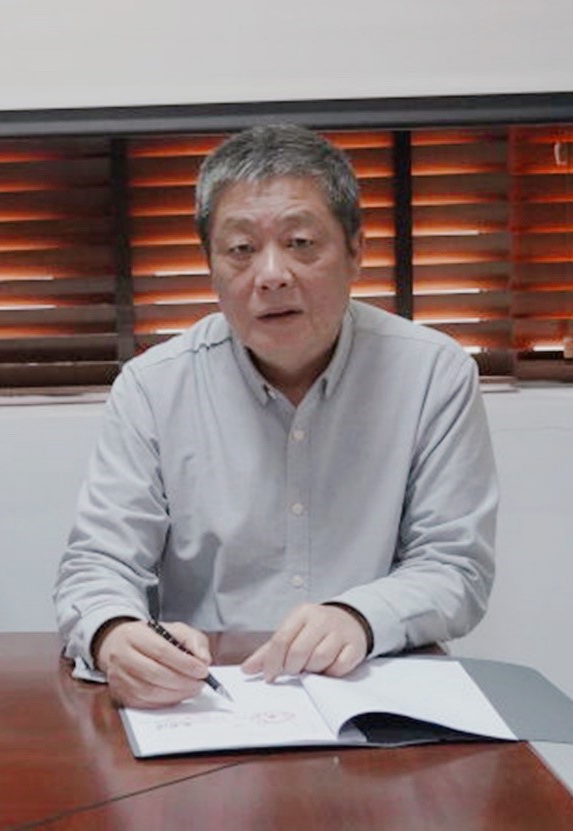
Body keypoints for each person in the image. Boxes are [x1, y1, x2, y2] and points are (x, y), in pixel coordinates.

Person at [54, 124, 497, 708]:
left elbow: (456, 566)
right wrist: (115, 635)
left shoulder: (432, 373)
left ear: (356, 250)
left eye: (301, 243)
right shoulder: (153, 387)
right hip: (207, 700)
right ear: (211, 264)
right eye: (241, 250)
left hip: (374, 692)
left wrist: (359, 617)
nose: (270, 275)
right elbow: (97, 564)